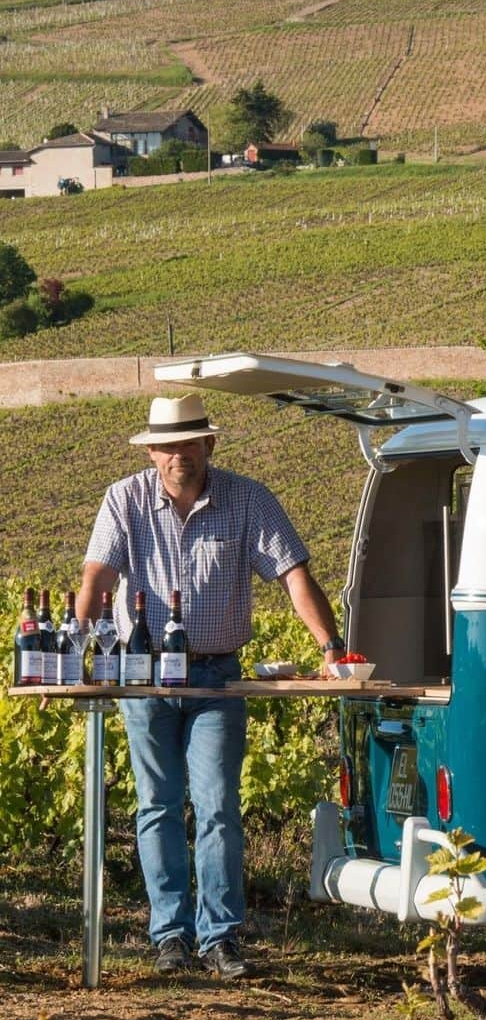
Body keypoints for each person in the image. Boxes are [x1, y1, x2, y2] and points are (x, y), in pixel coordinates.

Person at [77, 393, 345, 980]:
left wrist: (330, 648)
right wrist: (79, 649)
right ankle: (170, 936)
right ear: (151, 451)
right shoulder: (123, 501)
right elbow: (97, 577)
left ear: (210, 445)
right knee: (157, 806)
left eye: (190, 443)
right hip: (144, 676)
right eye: (168, 445)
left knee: (220, 805)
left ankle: (220, 938)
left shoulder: (248, 499)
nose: (180, 455)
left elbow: (293, 573)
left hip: (218, 676)